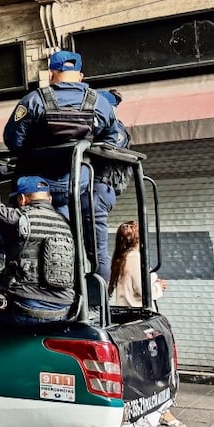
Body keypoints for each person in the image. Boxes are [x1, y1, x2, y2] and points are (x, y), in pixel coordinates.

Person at [3, 51, 125, 265]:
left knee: (33, 246)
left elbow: (13, 140)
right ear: (80, 76)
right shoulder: (100, 104)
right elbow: (115, 141)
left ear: (51, 74)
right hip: (79, 187)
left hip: (39, 190)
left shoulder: (33, 100)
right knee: (81, 246)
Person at [0, 146, 76, 324]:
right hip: (63, 310)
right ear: (49, 199)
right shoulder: (65, 223)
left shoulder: (17, 217)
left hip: (27, 309)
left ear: (22, 199)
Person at [107, 220, 182, 427]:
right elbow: (143, 291)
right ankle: (162, 412)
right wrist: (158, 286)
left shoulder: (121, 258)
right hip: (141, 320)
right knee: (155, 369)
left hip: (129, 320)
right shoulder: (134, 258)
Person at [90, 89, 132, 282]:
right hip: (95, 188)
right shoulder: (110, 126)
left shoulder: (115, 129)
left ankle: (99, 302)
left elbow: (105, 149)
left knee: (98, 253)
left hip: (99, 188)